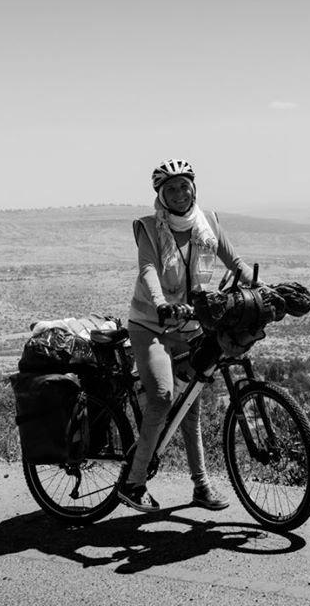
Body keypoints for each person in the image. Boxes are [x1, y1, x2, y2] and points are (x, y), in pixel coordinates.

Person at [120, 158, 254, 512]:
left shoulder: (207, 223)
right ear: (160, 195)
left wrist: (262, 289)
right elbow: (148, 268)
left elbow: (233, 261)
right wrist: (161, 302)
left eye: (185, 186)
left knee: (190, 407)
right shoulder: (149, 227)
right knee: (164, 398)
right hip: (151, 325)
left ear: (194, 187)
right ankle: (133, 484)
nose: (180, 194)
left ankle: (201, 487)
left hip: (192, 325)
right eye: (171, 189)